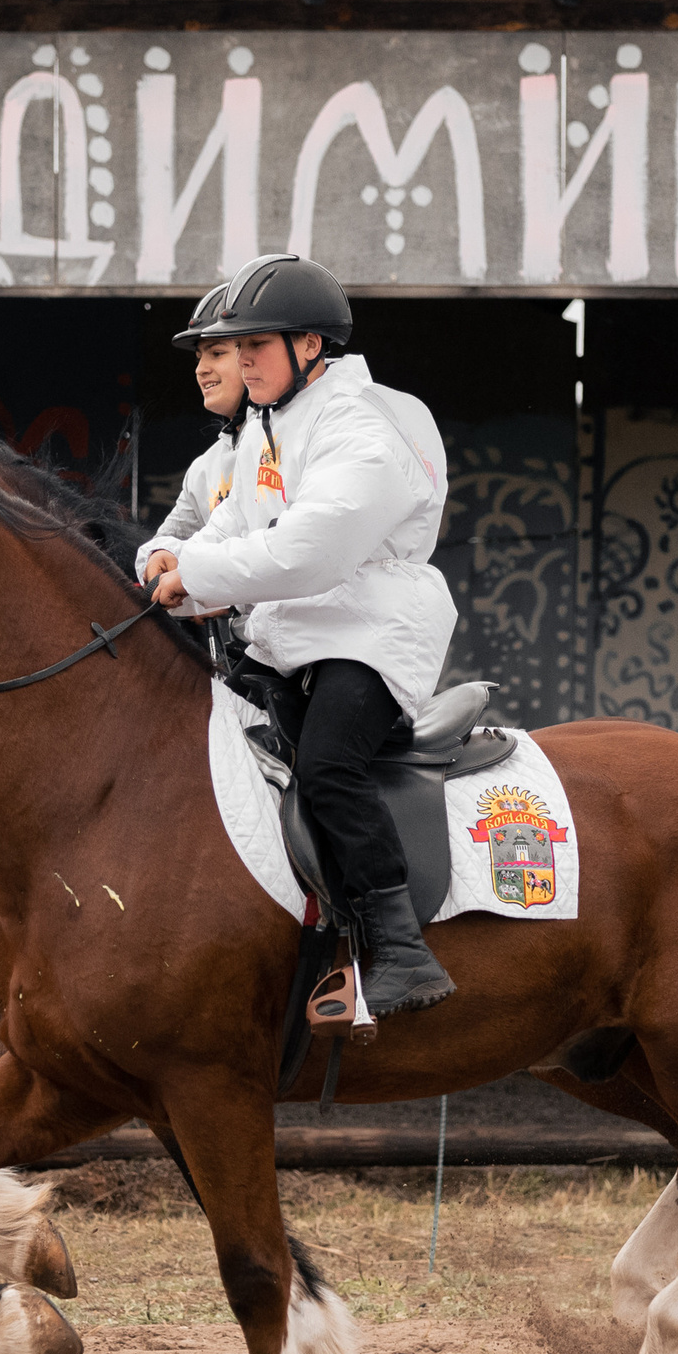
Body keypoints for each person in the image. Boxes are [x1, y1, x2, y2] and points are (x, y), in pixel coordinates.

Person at [145, 252, 456, 1017]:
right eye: (235, 346)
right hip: (295, 633)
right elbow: (229, 525)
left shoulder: (364, 428)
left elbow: (309, 549)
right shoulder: (269, 428)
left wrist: (199, 574)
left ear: (310, 347)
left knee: (327, 768)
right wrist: (166, 557)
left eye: (255, 344)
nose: (241, 360)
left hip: (369, 633)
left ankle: (403, 951)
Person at [133, 283, 246, 577]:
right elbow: (162, 544)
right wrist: (158, 558)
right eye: (199, 358)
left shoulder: (305, 436)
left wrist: (205, 586)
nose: (200, 369)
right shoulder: (205, 468)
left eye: (217, 353)